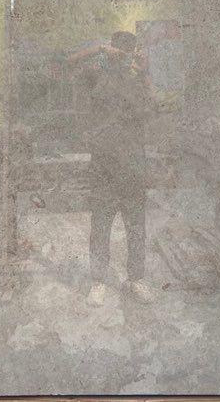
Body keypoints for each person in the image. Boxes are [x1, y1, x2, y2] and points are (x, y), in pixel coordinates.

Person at [68, 31, 157, 305]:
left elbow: (155, 107)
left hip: (133, 164)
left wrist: (145, 72)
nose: (124, 57)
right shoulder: (97, 75)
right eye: (119, 51)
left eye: (128, 52)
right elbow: (67, 65)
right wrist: (98, 49)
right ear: (112, 51)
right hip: (104, 165)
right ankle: (98, 281)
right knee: (100, 226)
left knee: (136, 226)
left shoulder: (137, 79)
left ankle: (136, 279)